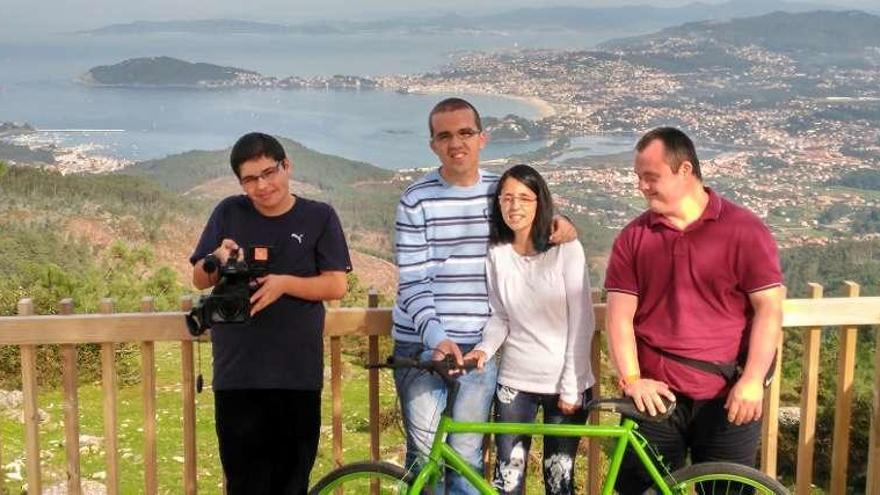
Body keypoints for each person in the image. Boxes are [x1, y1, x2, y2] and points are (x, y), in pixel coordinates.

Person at [392, 98, 576, 494]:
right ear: (433, 145)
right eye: (444, 135)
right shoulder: (415, 199)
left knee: (467, 457)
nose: (455, 143)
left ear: (481, 138)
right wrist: (436, 337)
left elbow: (535, 227)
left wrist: (564, 226)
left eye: (465, 133)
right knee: (425, 457)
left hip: (479, 348)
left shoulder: (501, 195)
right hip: (422, 345)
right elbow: (413, 282)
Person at [604, 127, 783, 494]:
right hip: (654, 397)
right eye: (639, 178)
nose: (642, 187)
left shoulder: (743, 230)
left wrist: (752, 381)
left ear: (685, 170)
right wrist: (632, 380)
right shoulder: (634, 237)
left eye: (651, 177)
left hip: (728, 396)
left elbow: (769, 310)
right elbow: (619, 317)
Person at [189, 132, 351, 495]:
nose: (262, 185)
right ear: (240, 182)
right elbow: (200, 278)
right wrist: (218, 257)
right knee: (244, 484)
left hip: (296, 374)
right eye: (250, 179)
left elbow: (336, 285)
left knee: (292, 483)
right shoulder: (229, 212)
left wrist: (283, 284)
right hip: (237, 375)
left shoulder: (319, 216)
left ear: (286, 166)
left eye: (269, 172)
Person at [463, 164, 595, 495]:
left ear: (540, 202)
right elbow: (501, 316)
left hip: (565, 383)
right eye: (507, 198)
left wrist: (571, 385)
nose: (515, 206)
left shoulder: (566, 249)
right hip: (514, 382)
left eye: (525, 197)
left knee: (558, 482)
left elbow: (582, 320)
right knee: (507, 480)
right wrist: (484, 349)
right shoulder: (496, 253)